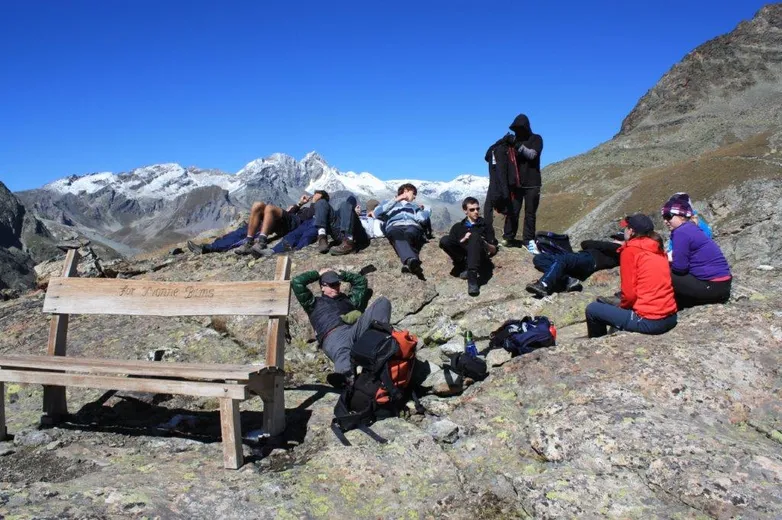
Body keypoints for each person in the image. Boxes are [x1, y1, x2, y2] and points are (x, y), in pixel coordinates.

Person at [291, 268, 391, 387]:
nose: (336, 287)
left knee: (382, 302)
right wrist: (318, 274)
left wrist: (341, 275)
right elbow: (297, 282)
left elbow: (361, 282)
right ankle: (346, 379)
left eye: (337, 284)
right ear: (322, 287)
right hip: (333, 336)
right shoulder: (313, 303)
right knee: (343, 356)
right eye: (332, 285)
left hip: (354, 330)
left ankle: (381, 338)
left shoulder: (349, 300)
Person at [584, 214, 678, 338]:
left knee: (593, 309)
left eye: (626, 227)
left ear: (631, 231)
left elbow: (629, 295)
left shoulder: (630, 251)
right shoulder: (657, 247)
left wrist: (621, 309)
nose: (624, 230)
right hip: (670, 317)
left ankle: (597, 345)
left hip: (651, 321)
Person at [483, 114, 544, 254]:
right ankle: (509, 237)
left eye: (520, 128)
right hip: (516, 184)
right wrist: (500, 142)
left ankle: (528, 240)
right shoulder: (512, 141)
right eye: (516, 129)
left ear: (526, 127)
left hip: (533, 183)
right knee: (513, 211)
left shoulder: (536, 139)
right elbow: (489, 155)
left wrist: (516, 144)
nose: (518, 132)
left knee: (530, 213)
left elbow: (532, 155)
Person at [661, 195, 732, 309]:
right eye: (663, 217)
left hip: (711, 287)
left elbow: (680, 268)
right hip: (722, 286)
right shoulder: (691, 227)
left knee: (660, 269)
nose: (665, 221)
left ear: (682, 216)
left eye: (668, 216)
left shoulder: (681, 232)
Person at [234, 191, 329, 255]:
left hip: (295, 224)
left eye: (317, 194)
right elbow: (289, 213)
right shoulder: (306, 208)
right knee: (257, 205)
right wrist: (300, 204)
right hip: (288, 221)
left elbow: (310, 216)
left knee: (270, 208)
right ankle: (248, 242)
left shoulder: (321, 208)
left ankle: (262, 243)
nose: (314, 195)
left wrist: (315, 202)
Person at [439, 197, 497, 296]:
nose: (476, 212)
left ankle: (472, 279)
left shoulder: (485, 225)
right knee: (444, 240)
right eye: (472, 209)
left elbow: (494, 249)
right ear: (465, 211)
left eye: (477, 209)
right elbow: (453, 244)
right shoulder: (458, 227)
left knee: (474, 236)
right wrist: (464, 240)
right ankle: (462, 264)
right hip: (463, 256)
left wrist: (484, 243)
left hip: (480, 255)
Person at [526, 239, 622, 298]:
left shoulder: (620, 249)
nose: (613, 240)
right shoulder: (611, 249)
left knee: (563, 259)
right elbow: (584, 243)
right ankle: (568, 280)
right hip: (581, 258)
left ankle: (544, 284)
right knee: (539, 258)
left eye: (616, 239)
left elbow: (588, 244)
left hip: (590, 261)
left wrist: (615, 244)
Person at [374, 183, 431, 276]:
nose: (415, 197)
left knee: (409, 233)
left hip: (412, 226)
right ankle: (412, 261)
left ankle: (410, 261)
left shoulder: (415, 206)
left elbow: (422, 220)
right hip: (395, 226)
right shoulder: (388, 203)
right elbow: (377, 213)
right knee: (395, 232)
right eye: (414, 194)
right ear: (406, 191)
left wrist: (424, 211)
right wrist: (396, 200)